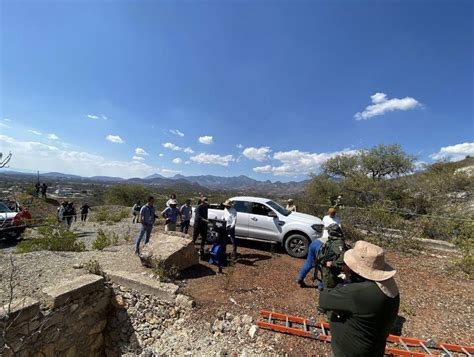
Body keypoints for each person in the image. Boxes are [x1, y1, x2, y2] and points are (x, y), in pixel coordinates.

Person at [318, 240, 400, 357]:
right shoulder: (390, 286)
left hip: (350, 351)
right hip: (375, 347)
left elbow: (324, 299)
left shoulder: (357, 293)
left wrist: (338, 280)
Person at [319, 223, 348, 289]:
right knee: (325, 281)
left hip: (331, 271)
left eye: (329, 231)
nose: (328, 232)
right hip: (326, 268)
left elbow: (342, 258)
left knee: (329, 286)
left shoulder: (338, 243)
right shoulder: (332, 240)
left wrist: (333, 264)